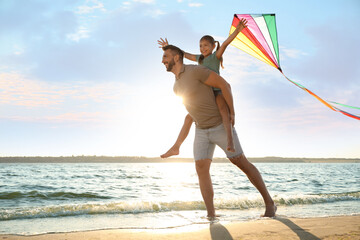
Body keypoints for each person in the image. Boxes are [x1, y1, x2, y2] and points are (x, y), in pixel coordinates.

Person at [161, 44, 276, 219]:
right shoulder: (176, 86)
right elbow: (191, 112)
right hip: (201, 130)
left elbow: (225, 85)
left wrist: (231, 112)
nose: (163, 61)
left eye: (166, 57)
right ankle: (211, 214)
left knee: (240, 162)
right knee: (201, 168)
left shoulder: (196, 71)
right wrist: (179, 142)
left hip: (219, 125)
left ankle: (269, 203)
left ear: (176, 58)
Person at [158, 18, 248, 156]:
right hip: (203, 94)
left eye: (206, 45)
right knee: (189, 118)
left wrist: (237, 30)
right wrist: (170, 47)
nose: (203, 48)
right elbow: (183, 54)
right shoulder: (199, 59)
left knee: (223, 109)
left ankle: (230, 140)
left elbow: (224, 44)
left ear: (212, 47)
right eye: (200, 46)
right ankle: (176, 147)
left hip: (216, 91)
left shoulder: (215, 57)